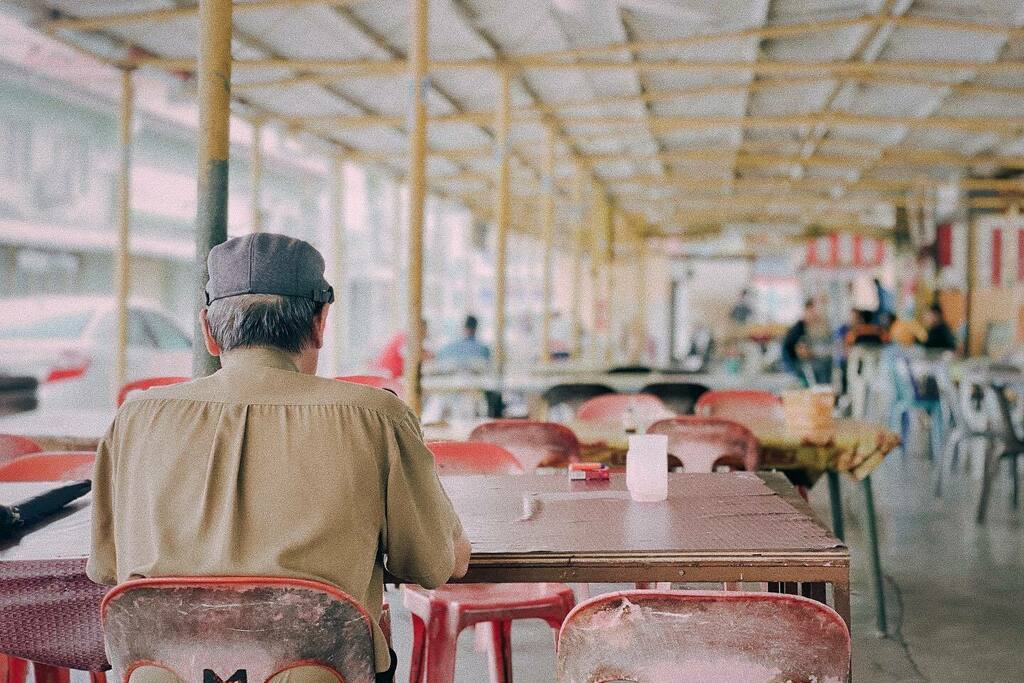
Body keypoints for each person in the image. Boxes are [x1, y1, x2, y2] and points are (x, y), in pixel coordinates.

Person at [88, 233, 470, 683]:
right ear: (320, 323)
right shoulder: (376, 417)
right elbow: (430, 565)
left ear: (209, 332)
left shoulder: (135, 419)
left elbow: (106, 568)